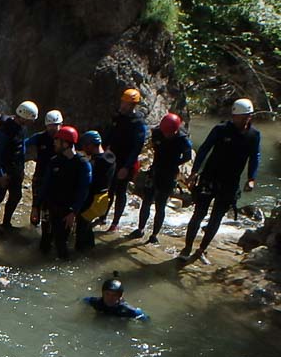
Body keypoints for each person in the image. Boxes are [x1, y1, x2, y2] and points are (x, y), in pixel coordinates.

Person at [181, 98, 262, 263]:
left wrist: (251, 178)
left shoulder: (254, 135)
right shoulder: (221, 130)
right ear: (234, 116)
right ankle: (187, 247)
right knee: (199, 214)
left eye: (248, 116)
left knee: (216, 218)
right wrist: (195, 172)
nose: (246, 119)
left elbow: (255, 157)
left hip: (230, 183)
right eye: (242, 116)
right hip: (209, 178)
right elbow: (204, 149)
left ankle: (201, 249)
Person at [130, 112, 194, 244]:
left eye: (169, 133)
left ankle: (154, 234)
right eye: (165, 132)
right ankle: (140, 228)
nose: (166, 135)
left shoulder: (183, 139)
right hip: (155, 170)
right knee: (146, 201)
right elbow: (154, 146)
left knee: (160, 204)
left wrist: (174, 164)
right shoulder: (158, 132)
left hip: (169, 173)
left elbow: (187, 157)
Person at [37, 126, 91, 261]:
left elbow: (83, 190)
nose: (54, 143)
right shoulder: (54, 161)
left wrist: (73, 212)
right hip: (50, 207)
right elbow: (45, 185)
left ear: (66, 144)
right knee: (44, 243)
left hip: (66, 211)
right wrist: (36, 206)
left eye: (57, 141)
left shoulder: (82, 164)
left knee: (61, 244)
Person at [0, 101, 37, 231]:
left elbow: (20, 145)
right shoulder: (5, 129)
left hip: (16, 169)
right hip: (4, 170)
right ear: (24, 117)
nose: (31, 123)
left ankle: (6, 223)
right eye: (30, 119)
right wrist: (0, 173)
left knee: (16, 196)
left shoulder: (20, 127)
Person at [104, 87, 149, 232]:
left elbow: (137, 147)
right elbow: (109, 134)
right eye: (122, 102)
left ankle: (115, 222)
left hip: (126, 161)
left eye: (126, 104)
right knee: (108, 189)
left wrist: (126, 167)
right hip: (112, 158)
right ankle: (103, 215)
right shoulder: (117, 117)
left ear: (133, 106)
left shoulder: (138, 123)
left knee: (120, 190)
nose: (122, 106)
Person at [76, 131, 116, 253]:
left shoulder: (95, 163)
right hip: (104, 199)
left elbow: (87, 183)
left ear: (91, 145)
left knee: (81, 225)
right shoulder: (110, 157)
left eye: (85, 145)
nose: (83, 148)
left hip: (94, 200)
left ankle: (81, 254)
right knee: (86, 225)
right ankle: (90, 249)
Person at [26, 109, 64, 228]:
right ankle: (33, 229)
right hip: (41, 175)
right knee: (37, 204)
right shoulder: (40, 137)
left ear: (61, 125)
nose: (52, 129)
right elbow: (22, 144)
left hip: (59, 177)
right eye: (50, 126)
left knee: (55, 206)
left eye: (55, 126)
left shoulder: (65, 138)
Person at [82, 272, 148, 320]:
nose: (110, 298)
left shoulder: (127, 310)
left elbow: (144, 317)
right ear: (102, 293)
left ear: (120, 296)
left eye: (114, 295)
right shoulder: (96, 302)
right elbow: (83, 301)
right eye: (107, 294)